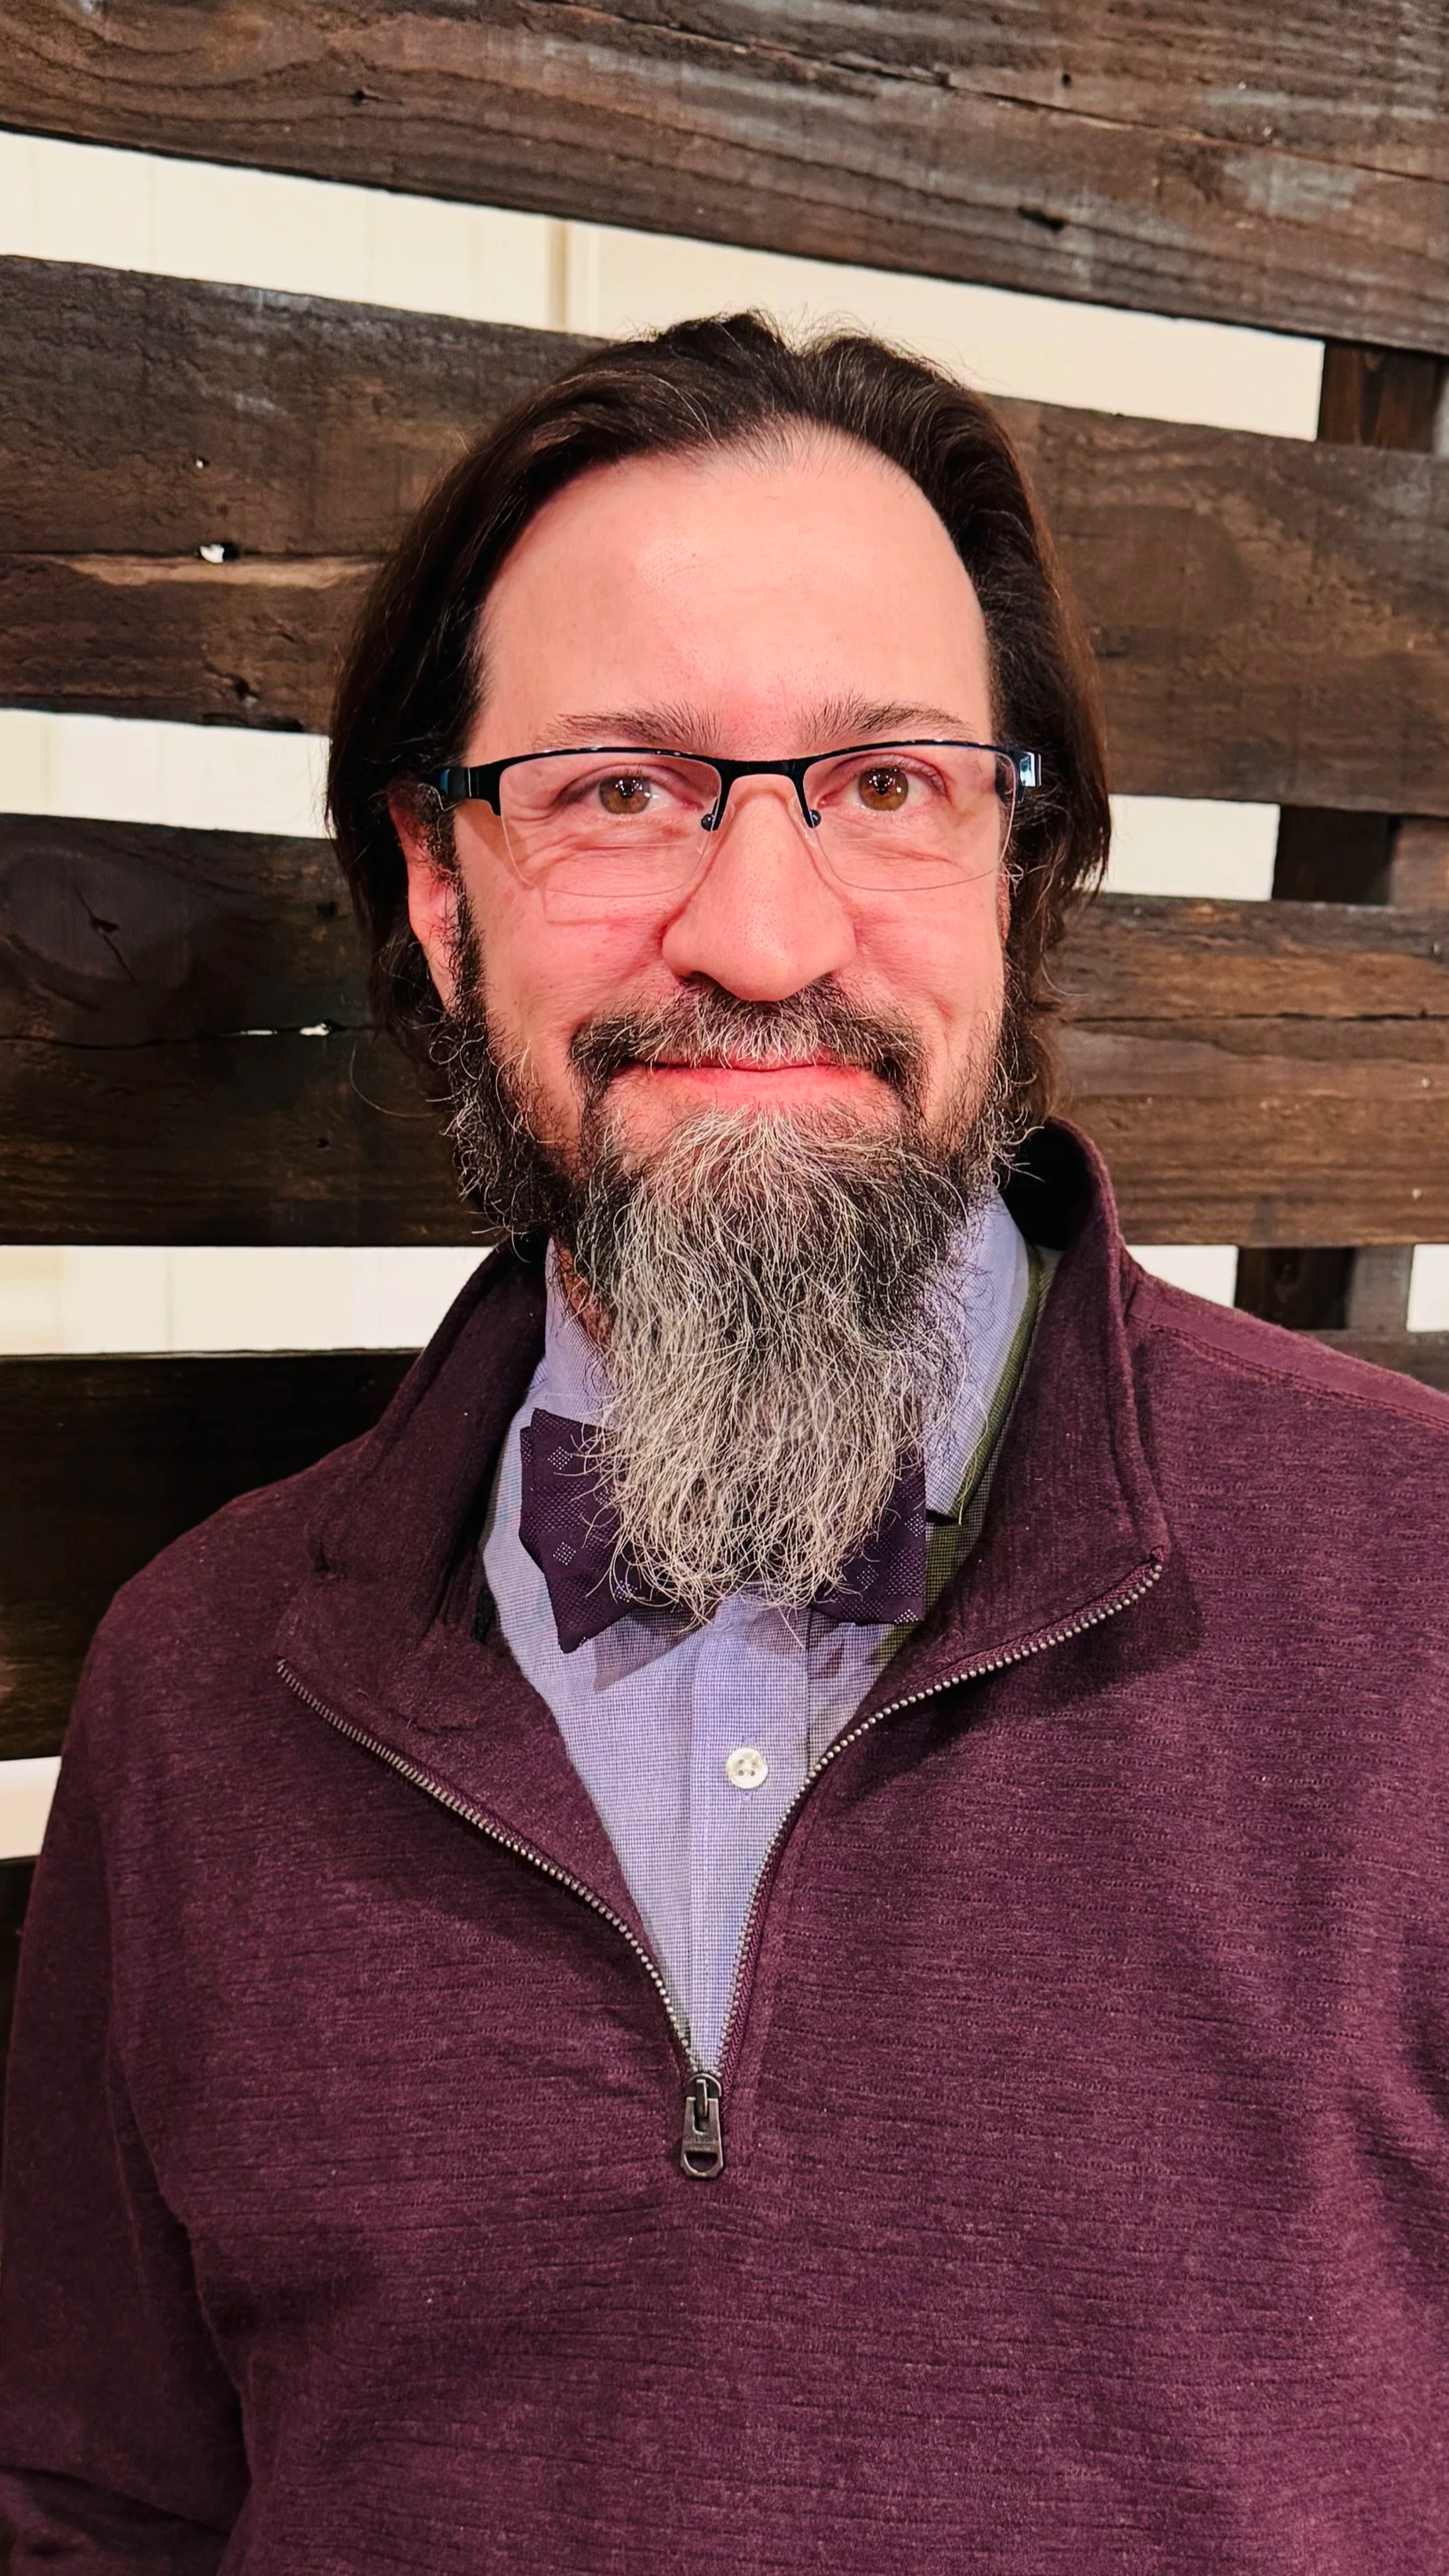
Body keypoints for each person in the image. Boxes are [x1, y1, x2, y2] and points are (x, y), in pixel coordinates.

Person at [1, 313, 1445, 2574]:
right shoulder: (193, 1692)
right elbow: (95, 2502)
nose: (760, 935)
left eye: (886, 784)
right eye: (619, 787)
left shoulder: (1425, 1599)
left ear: (1013, 860)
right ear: (432, 875)